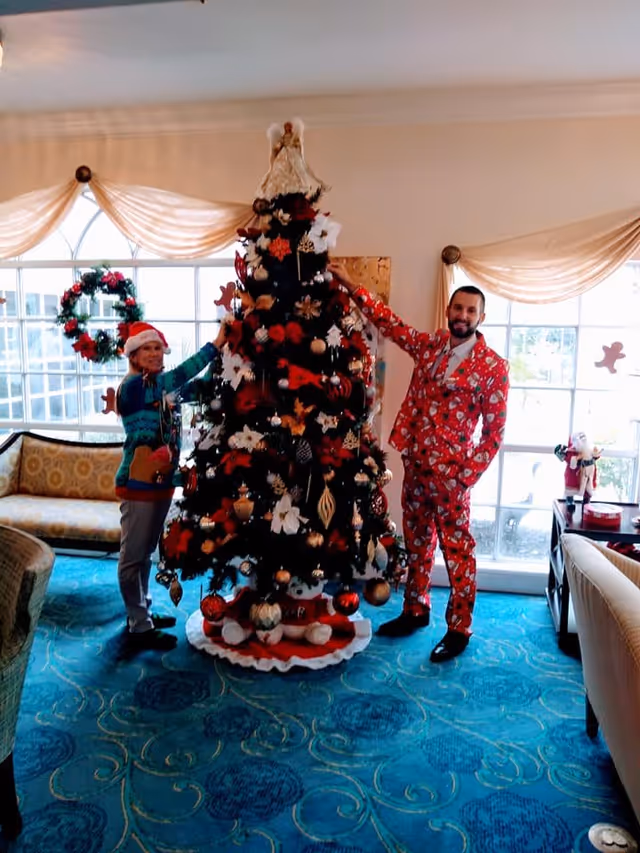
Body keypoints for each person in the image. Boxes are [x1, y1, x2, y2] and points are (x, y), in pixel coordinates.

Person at [327, 262, 509, 662]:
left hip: (453, 478)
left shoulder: (493, 367)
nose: (462, 315)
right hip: (416, 467)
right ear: (448, 310)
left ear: (481, 318)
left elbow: (494, 433)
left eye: (471, 311)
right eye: (457, 308)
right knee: (418, 543)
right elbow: (388, 322)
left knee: (458, 552)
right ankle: (415, 609)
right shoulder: (429, 346)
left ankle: (459, 629)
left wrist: (466, 476)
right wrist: (351, 285)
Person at [115, 320, 227, 651]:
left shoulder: (161, 390)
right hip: (138, 483)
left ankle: (143, 612)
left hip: (162, 481)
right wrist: (214, 346)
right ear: (133, 355)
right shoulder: (134, 388)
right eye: (146, 349)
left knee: (145, 553)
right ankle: (138, 624)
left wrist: (224, 361)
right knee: (132, 557)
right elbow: (179, 376)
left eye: (158, 348)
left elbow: (199, 388)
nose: (154, 353)